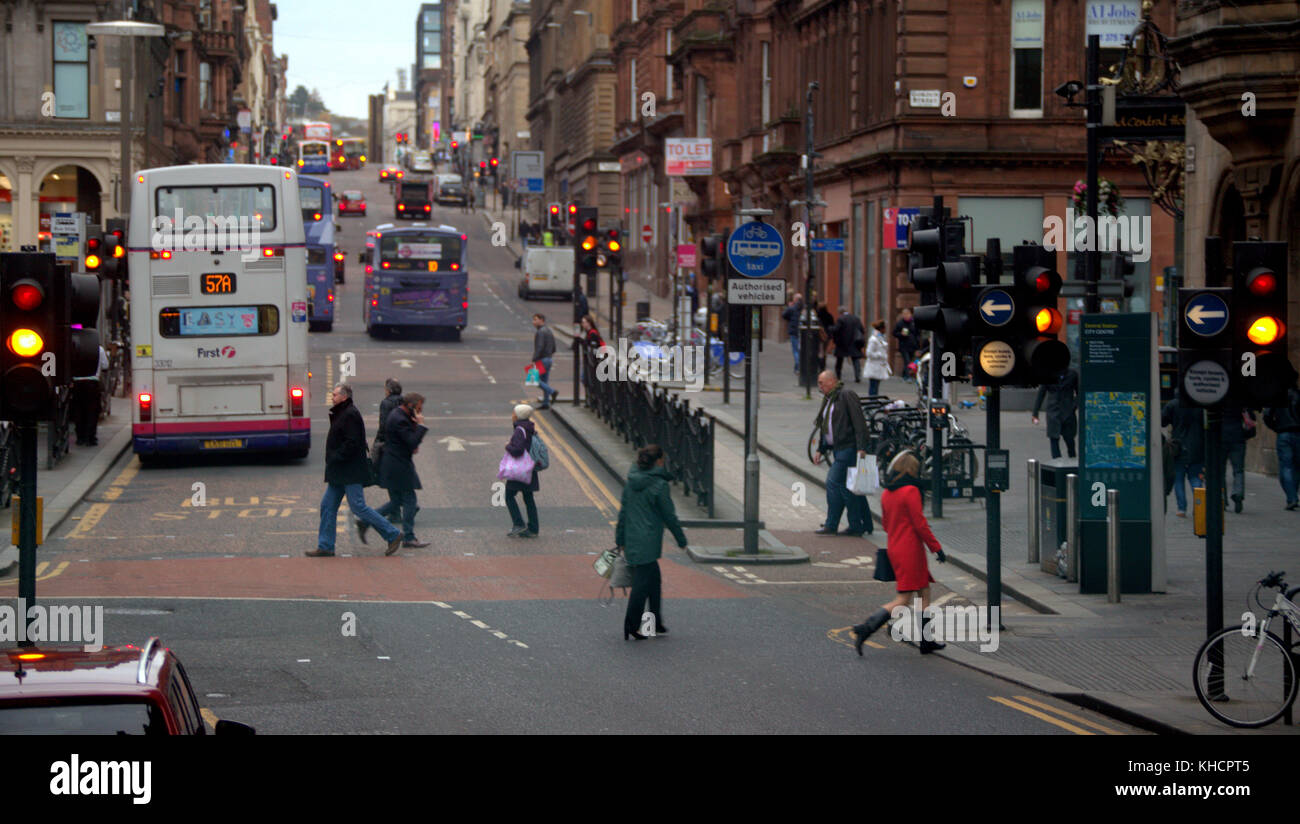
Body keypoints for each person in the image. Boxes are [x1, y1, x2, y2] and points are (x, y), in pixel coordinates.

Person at [850, 450, 947, 655]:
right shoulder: (910, 491)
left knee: (924, 592)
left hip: (895, 546)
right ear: (912, 470)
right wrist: (936, 547)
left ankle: (926, 641)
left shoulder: (888, 493)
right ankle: (866, 628)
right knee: (903, 599)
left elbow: (885, 524)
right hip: (910, 549)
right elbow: (920, 524)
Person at [309, 384, 403, 557]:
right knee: (327, 506)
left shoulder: (350, 414)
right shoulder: (342, 412)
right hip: (340, 472)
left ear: (344, 397)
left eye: (335, 394)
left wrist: (336, 456)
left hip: (349, 471)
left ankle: (393, 534)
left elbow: (352, 443)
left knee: (358, 507)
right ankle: (326, 546)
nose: (332, 397)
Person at [615, 445, 689, 640]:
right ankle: (631, 625)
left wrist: (620, 538)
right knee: (641, 586)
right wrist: (681, 539)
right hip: (647, 541)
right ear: (658, 462)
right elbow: (669, 516)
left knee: (653, 581)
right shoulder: (659, 485)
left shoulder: (631, 481)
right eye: (662, 460)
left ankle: (655, 623)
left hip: (632, 538)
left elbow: (623, 512)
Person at [811, 370, 874, 536]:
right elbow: (826, 426)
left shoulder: (846, 395)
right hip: (838, 449)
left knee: (833, 482)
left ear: (832, 381)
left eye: (821, 383)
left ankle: (833, 524)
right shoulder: (829, 398)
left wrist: (861, 446)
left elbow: (859, 422)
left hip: (849, 448)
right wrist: (821, 448)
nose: (819, 386)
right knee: (850, 488)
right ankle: (861, 524)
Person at [363, 392, 429, 550]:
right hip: (398, 465)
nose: (420, 411)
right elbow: (411, 442)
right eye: (419, 408)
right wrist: (420, 425)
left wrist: (414, 424)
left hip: (394, 463)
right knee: (410, 499)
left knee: (397, 501)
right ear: (411, 405)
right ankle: (409, 537)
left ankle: (366, 520)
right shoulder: (399, 419)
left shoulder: (400, 415)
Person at [1161, 395, 1205, 518]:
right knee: (1195, 478)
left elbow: (1162, 421)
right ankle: (1199, 506)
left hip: (1178, 447)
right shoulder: (1200, 403)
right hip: (1197, 446)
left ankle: (1182, 509)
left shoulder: (1173, 404)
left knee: (1178, 480)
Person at [504, 404, 540, 537]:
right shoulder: (529, 427)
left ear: (518, 415)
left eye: (513, 412)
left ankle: (518, 523)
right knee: (528, 497)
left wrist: (508, 446)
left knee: (508, 496)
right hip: (529, 468)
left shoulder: (520, 429)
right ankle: (533, 528)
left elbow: (518, 450)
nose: (512, 415)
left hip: (520, 469)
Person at [1263, 385, 1300, 510]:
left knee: (1286, 466)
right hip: (1298, 433)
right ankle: (1293, 494)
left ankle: (1292, 497)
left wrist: (1276, 427)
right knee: (1296, 466)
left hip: (1283, 433)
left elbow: (1267, 415)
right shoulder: (1297, 394)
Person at [1032, 366, 1080, 459]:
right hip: (1053, 412)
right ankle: (1057, 463)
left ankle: (1072, 462)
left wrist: (1074, 405)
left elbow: (1079, 392)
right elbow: (1041, 394)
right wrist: (1035, 413)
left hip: (1068, 413)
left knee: (1070, 440)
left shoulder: (1072, 375)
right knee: (1054, 440)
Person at [1218, 402, 1254, 513]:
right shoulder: (1241, 400)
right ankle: (1237, 493)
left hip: (1221, 438)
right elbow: (1251, 418)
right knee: (1238, 470)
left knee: (1220, 470)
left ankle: (1221, 498)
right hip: (1238, 438)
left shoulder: (1218, 397)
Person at [73, 344, 109, 446]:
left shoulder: (75, 347)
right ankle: (90, 437)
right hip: (92, 383)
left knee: (79, 410)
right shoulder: (99, 349)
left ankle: (80, 437)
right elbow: (105, 365)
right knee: (92, 411)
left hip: (77, 382)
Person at [829, 308, 865, 382]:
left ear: (840, 312)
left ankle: (838, 376)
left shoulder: (841, 319)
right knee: (855, 359)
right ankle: (857, 376)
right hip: (854, 342)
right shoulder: (856, 318)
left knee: (839, 360)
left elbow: (836, 330)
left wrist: (830, 329)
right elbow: (862, 329)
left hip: (842, 343)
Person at [530, 313, 557, 409]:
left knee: (534, 380)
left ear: (541, 320)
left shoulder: (540, 332)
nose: (533, 322)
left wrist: (534, 359)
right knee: (544, 381)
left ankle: (552, 392)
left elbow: (539, 347)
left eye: (535, 319)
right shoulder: (549, 331)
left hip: (542, 360)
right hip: (549, 359)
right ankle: (546, 403)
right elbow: (554, 347)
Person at [863, 320, 891, 397]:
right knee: (873, 386)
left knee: (875, 386)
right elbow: (868, 353)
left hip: (878, 366)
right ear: (881, 329)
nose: (885, 330)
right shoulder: (873, 339)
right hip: (874, 366)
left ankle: (873, 400)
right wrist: (880, 355)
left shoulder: (880, 338)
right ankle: (872, 401)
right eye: (885, 328)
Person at [782, 293, 805, 374]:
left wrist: (789, 307)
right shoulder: (804, 308)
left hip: (794, 331)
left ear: (795, 299)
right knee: (801, 350)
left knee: (796, 351)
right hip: (803, 332)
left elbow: (784, 315)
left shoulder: (792, 308)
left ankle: (798, 367)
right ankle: (797, 368)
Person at [892, 308, 919, 376]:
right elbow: (894, 333)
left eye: (907, 314)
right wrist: (901, 334)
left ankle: (904, 374)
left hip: (912, 345)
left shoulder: (914, 322)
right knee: (907, 361)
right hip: (904, 346)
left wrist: (917, 345)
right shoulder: (900, 323)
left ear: (910, 314)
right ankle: (908, 376)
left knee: (909, 361)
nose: (906, 316)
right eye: (904, 314)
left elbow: (917, 334)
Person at [815, 303, 835, 371]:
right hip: (827, 335)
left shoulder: (817, 316)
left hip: (819, 335)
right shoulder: (829, 315)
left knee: (820, 351)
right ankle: (823, 365)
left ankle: (820, 365)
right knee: (824, 350)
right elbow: (832, 325)